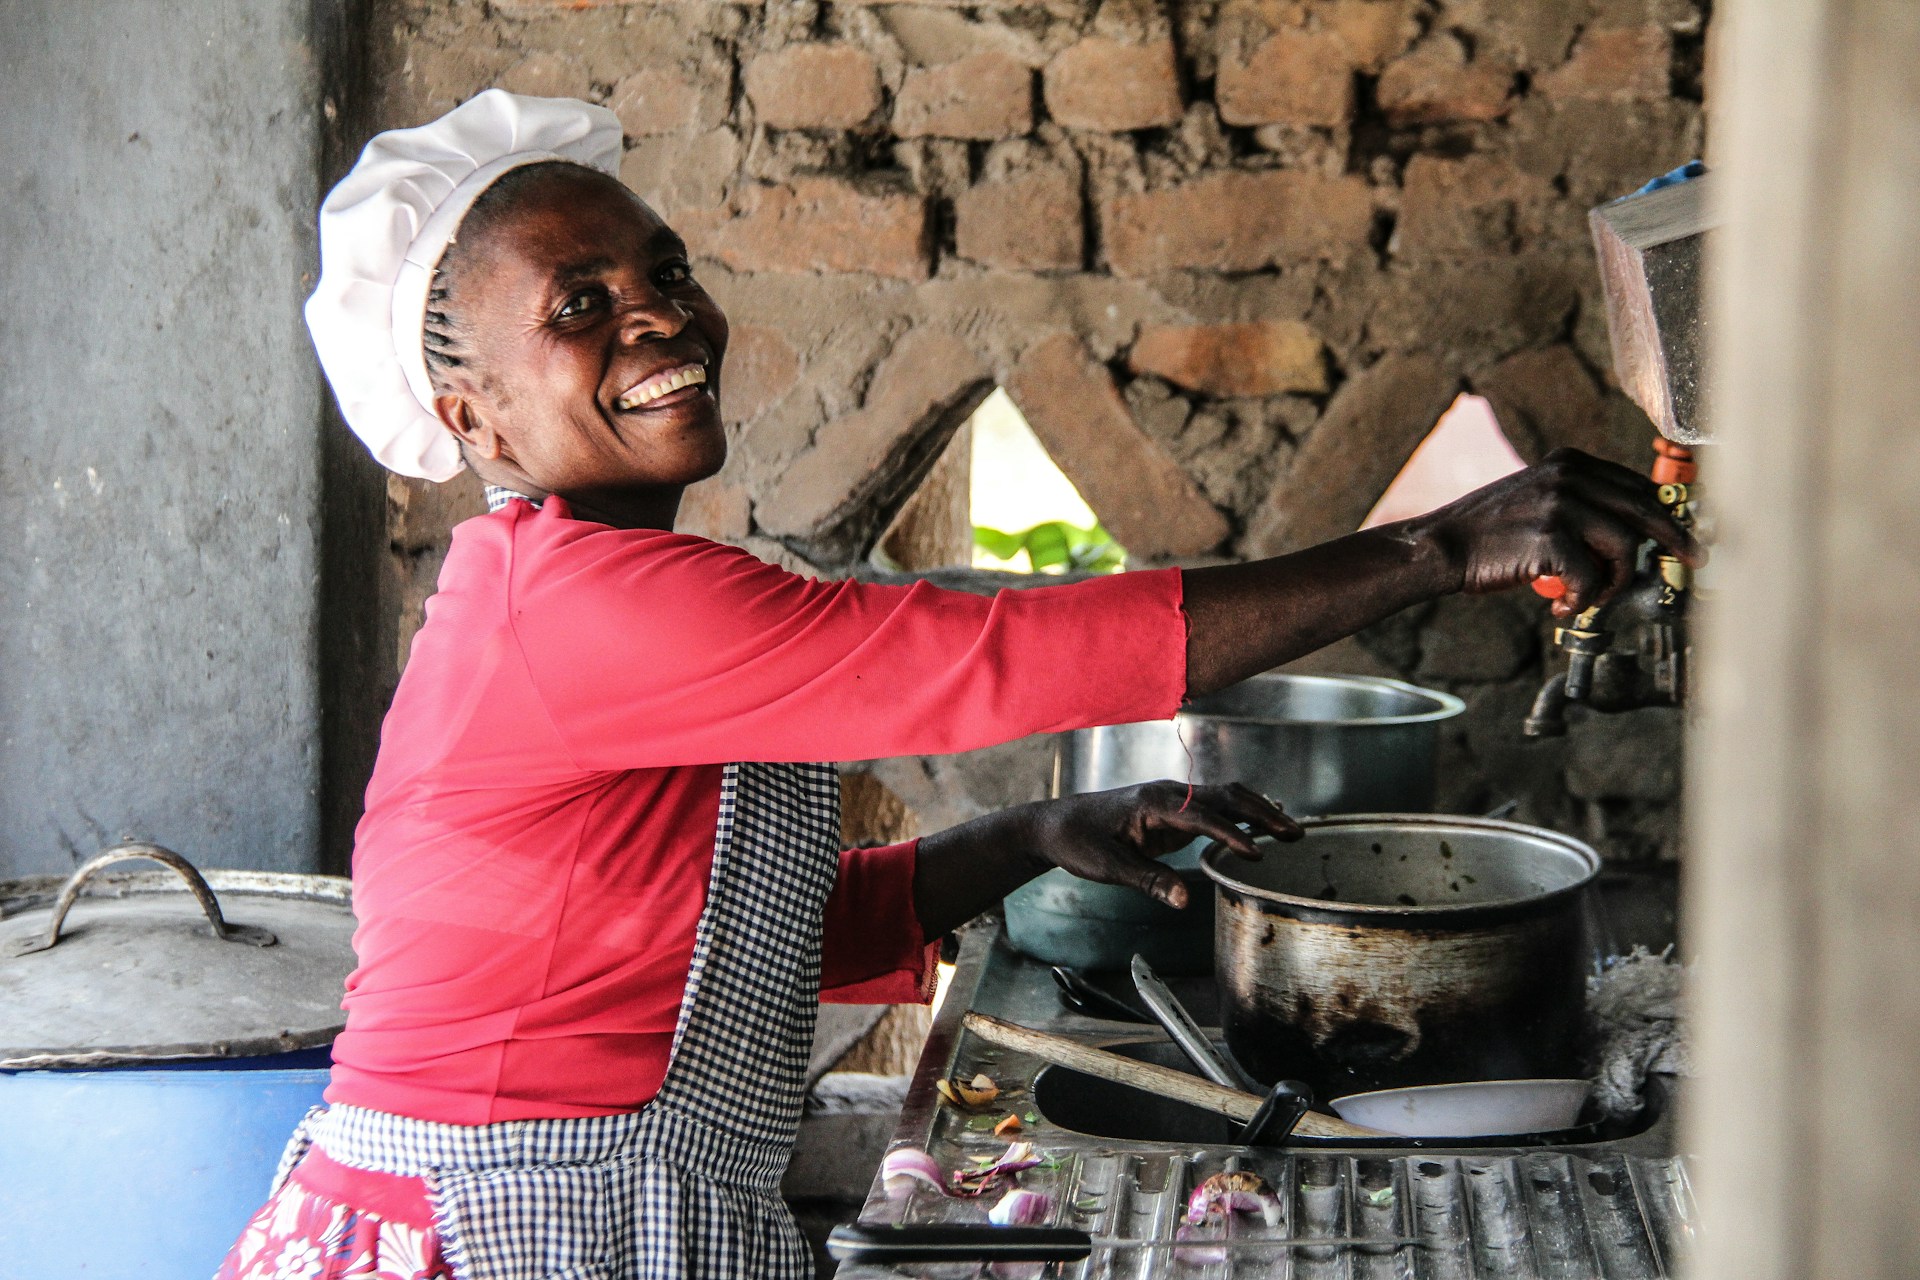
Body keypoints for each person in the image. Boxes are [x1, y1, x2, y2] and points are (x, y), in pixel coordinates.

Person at [215, 91, 1697, 1280]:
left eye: (662, 272)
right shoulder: (580, 607)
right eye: (579, 304)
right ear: (470, 416)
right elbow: (988, 660)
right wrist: (1438, 546)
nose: (656, 315)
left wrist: (1023, 841)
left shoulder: (591, 597)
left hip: (570, 1202)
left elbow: (710, 941)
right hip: (499, 1223)